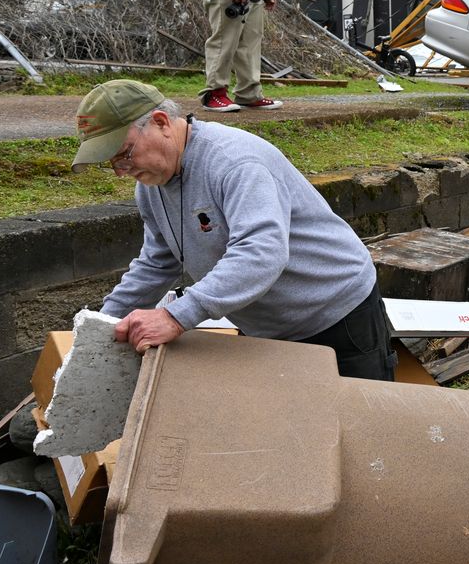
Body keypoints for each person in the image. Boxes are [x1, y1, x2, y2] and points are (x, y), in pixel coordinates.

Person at [70, 79, 394, 380]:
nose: (121, 171)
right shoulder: (151, 185)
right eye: (112, 163)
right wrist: (102, 327)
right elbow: (157, 263)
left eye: (125, 154)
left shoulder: (235, 163)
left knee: (357, 418)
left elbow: (261, 252)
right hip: (267, 328)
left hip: (337, 314)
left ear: (160, 122)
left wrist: (176, 316)